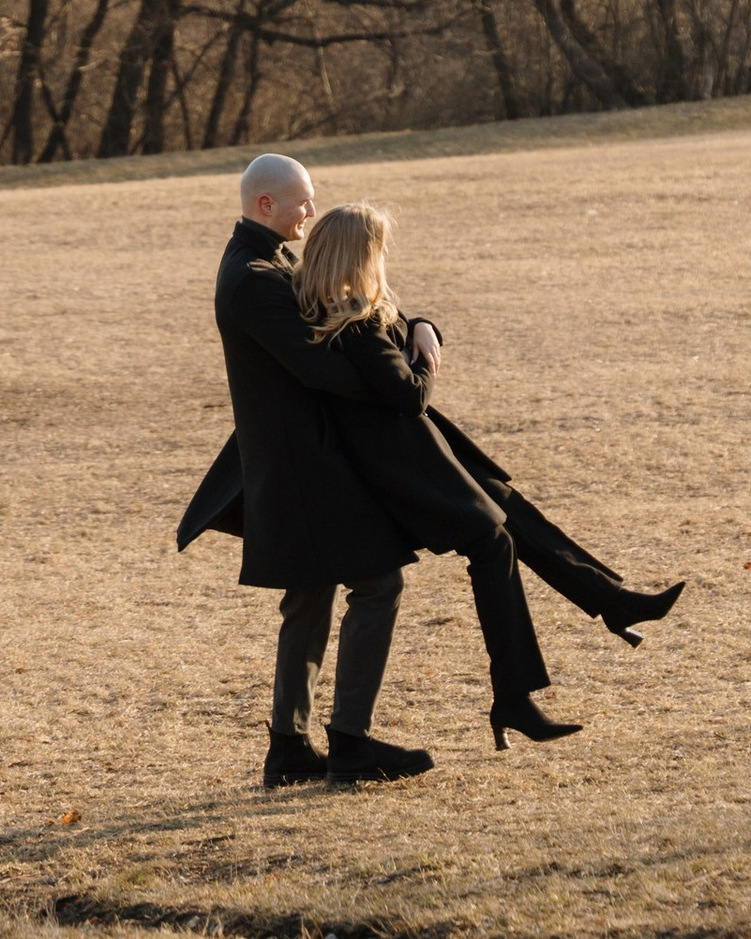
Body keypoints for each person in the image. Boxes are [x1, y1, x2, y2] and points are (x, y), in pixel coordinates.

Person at [178, 152, 682, 788]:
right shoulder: (252, 277)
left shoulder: (277, 260)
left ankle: (291, 748)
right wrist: (395, 362)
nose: (312, 210)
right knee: (375, 585)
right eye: (301, 201)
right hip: (310, 469)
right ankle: (348, 743)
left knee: (338, 587)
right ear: (264, 205)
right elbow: (329, 371)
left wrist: (414, 324)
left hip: (328, 458)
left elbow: (352, 309)